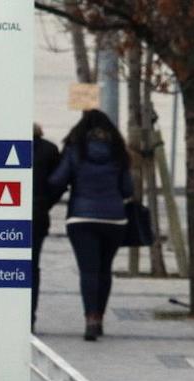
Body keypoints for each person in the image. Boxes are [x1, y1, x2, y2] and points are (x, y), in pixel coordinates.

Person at [47, 109, 134, 341]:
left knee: (88, 270)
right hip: (114, 219)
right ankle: (100, 317)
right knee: (105, 269)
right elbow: (128, 189)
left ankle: (90, 320)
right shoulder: (118, 152)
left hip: (81, 218)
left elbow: (58, 180)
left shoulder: (76, 149)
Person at [32, 123, 61, 330]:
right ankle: (29, 317)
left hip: (7, 216)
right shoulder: (50, 149)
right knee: (31, 268)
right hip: (38, 215)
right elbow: (58, 184)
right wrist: (45, 203)